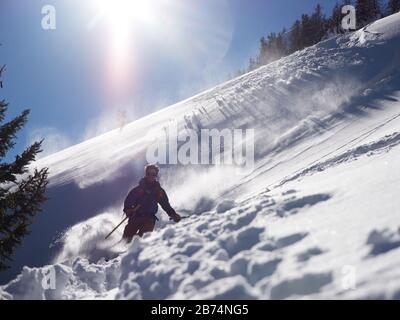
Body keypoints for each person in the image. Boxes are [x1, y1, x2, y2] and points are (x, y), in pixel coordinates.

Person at [122, 164, 181, 242]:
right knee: (126, 239)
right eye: (148, 173)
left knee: (143, 239)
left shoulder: (159, 191)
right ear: (146, 174)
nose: (150, 176)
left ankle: (139, 251)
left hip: (149, 219)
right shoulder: (138, 190)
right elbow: (128, 202)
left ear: (156, 175)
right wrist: (128, 209)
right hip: (135, 217)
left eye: (153, 174)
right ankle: (121, 252)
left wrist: (172, 214)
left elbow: (165, 204)